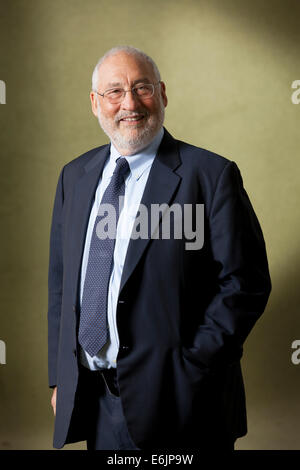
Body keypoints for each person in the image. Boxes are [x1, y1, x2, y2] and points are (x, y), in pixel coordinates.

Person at [48, 45, 271, 451]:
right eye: (114, 92)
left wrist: (193, 366)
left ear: (163, 94)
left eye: (142, 88)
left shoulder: (211, 175)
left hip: (184, 401)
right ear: (95, 104)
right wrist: (62, 376)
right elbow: (62, 283)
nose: (129, 103)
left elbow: (245, 282)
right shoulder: (74, 177)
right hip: (97, 400)